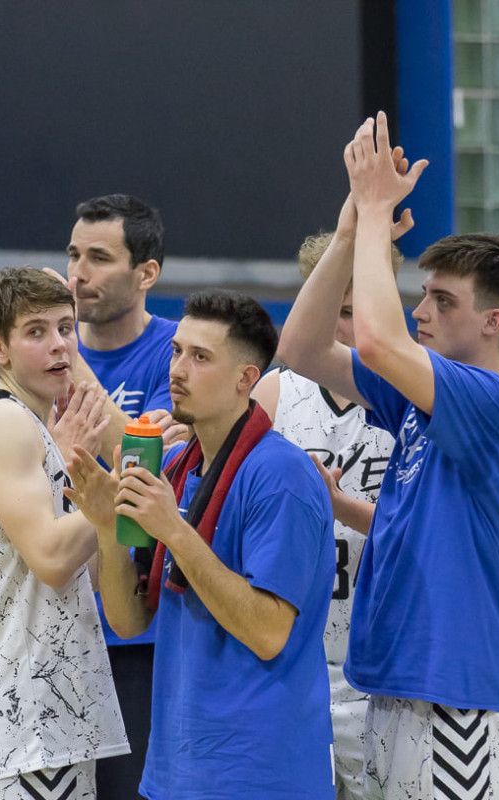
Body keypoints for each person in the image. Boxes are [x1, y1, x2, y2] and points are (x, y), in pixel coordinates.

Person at [278, 113, 499, 799]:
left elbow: (374, 342)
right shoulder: (425, 402)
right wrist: (347, 234)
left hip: (463, 695)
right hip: (402, 686)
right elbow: (302, 348)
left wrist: (374, 217)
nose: (421, 309)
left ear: (494, 323)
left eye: (441, 299)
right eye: (422, 292)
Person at [67, 288, 336, 799]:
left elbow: (267, 632)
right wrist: (105, 525)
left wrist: (175, 530)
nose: (178, 370)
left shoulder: (280, 476)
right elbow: (129, 620)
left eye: (200, 357)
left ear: (245, 379)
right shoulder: (176, 469)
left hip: (259, 774)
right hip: (175, 769)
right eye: (176, 351)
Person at [0, 267, 127, 800]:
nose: (59, 345)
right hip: (24, 723)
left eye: (66, 328)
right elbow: (50, 557)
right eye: (37, 332)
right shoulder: (6, 423)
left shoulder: (27, 424)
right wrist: (126, 493)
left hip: (30, 720)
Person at [251, 229, 402, 799]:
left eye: (363, 307)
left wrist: (342, 506)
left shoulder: (416, 396)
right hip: (294, 665)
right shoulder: (274, 395)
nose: (353, 325)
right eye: (339, 311)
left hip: (380, 666)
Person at [65, 193, 183, 797]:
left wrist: (64, 354)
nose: (77, 273)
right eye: (73, 255)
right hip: (54, 630)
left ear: (146, 274)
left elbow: (142, 463)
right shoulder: (38, 359)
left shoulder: (176, 354)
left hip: (137, 634)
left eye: (98, 258)